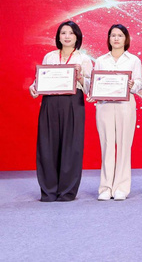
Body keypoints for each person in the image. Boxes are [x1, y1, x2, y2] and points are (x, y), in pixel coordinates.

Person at [30, 21, 93, 202]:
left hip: (73, 103)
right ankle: (48, 191)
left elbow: (90, 87)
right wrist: (34, 87)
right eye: (63, 33)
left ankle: (67, 191)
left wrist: (79, 76)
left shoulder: (83, 59)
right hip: (50, 102)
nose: (67, 36)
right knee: (47, 145)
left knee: (71, 146)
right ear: (58, 36)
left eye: (71, 33)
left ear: (77, 36)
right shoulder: (49, 56)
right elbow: (40, 79)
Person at [90, 24, 142, 201]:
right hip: (104, 105)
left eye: (120, 35)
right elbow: (96, 81)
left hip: (125, 105)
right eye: (113, 35)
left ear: (126, 39)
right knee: (106, 145)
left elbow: (139, 83)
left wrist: (132, 85)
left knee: (124, 145)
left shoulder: (133, 60)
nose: (116, 38)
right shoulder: (101, 60)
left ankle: (121, 187)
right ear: (109, 38)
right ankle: (105, 187)